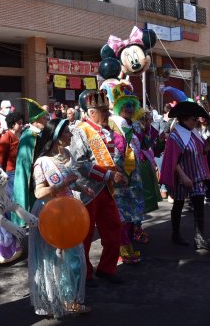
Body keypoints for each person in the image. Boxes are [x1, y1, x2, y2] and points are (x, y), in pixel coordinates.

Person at [29, 118, 91, 317]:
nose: (71, 135)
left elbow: (71, 179)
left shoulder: (66, 155)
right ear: (56, 136)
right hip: (51, 213)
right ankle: (62, 299)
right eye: (67, 132)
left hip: (69, 212)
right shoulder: (42, 162)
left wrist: (81, 187)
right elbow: (39, 193)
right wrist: (60, 186)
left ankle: (70, 297)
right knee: (56, 259)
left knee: (75, 258)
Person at [70, 90, 127, 287]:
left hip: (105, 188)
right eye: (103, 110)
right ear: (92, 112)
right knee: (85, 235)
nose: (108, 114)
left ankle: (107, 268)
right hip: (87, 190)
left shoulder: (105, 131)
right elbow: (80, 163)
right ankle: (84, 273)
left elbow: (110, 158)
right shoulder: (80, 131)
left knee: (114, 228)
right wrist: (109, 174)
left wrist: (119, 171)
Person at [159, 101, 210, 250]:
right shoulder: (175, 136)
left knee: (199, 206)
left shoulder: (193, 132)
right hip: (183, 177)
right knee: (178, 204)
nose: (196, 122)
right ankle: (175, 234)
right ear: (183, 119)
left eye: (196, 119)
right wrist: (183, 176)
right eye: (193, 119)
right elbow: (172, 160)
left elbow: (202, 151)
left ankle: (199, 237)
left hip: (197, 175)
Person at [108, 84, 146, 263]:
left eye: (132, 105)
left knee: (133, 211)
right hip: (120, 174)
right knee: (122, 212)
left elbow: (144, 146)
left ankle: (129, 241)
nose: (130, 109)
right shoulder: (114, 124)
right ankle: (122, 248)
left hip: (134, 174)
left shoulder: (136, 125)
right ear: (118, 107)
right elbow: (117, 149)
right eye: (126, 105)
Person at [13, 98, 48, 226]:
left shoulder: (40, 134)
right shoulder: (29, 136)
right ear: (36, 120)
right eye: (44, 118)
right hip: (33, 180)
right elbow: (25, 163)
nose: (46, 121)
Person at [0, 112, 23, 195]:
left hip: (20, 170)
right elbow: (1, 158)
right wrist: (2, 173)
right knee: (13, 196)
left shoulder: (21, 135)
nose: (22, 125)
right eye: (19, 123)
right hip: (11, 173)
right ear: (12, 125)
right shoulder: (6, 137)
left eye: (22, 123)